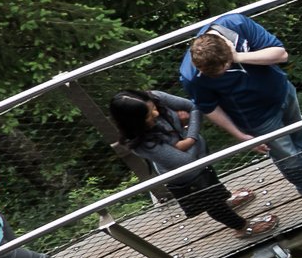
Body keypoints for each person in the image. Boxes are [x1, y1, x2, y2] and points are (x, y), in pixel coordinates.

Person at [182, 11, 302, 209]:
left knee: (298, 127)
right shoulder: (191, 75)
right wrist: (240, 135)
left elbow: (281, 54)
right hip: (256, 117)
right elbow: (210, 108)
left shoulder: (235, 24)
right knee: (287, 156)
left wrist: (239, 57)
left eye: (225, 68)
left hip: (282, 91)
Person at [108, 90, 278, 239]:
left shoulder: (155, 97)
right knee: (211, 202)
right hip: (186, 176)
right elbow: (186, 162)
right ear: (134, 121)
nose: (156, 113)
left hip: (201, 160)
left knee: (211, 182)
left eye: (153, 108)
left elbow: (194, 106)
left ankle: (225, 199)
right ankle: (242, 227)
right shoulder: (141, 143)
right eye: (148, 115)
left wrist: (189, 137)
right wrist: (191, 134)